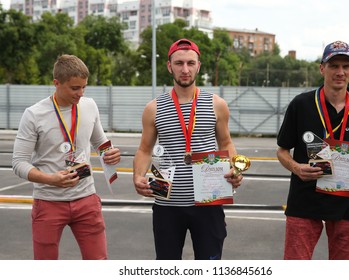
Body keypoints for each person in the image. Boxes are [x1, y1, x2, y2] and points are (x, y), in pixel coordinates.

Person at [132, 38, 243, 260]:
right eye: (179, 63)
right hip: (167, 203)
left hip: (209, 201)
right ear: (169, 66)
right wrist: (137, 176)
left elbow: (226, 143)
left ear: (199, 66)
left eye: (191, 63)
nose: (185, 69)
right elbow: (145, 149)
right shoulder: (153, 108)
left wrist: (236, 168)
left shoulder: (216, 104)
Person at [276, 41, 349, 260]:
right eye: (333, 66)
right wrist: (297, 168)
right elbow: (282, 150)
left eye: (345, 65)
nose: (340, 72)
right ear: (322, 68)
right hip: (304, 200)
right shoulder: (301, 104)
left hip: (347, 203)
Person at [12, 54, 121, 260]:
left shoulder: (89, 106)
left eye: (84, 87)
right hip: (49, 201)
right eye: (74, 88)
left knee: (98, 262)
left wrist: (110, 153)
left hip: (86, 199)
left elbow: (100, 143)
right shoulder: (34, 114)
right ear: (56, 83)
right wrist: (51, 179)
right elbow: (18, 163)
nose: (80, 94)